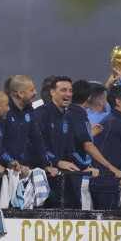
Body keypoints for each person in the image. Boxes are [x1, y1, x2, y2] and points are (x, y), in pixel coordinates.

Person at [64, 79, 119, 209]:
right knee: (83, 220)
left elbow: (71, 139)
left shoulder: (70, 113)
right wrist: (111, 167)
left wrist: (90, 134)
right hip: (79, 175)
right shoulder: (78, 116)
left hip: (75, 175)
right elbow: (86, 146)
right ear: (88, 97)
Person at [32, 76, 82, 207]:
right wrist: (57, 162)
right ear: (52, 92)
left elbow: (70, 150)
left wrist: (84, 165)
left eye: (70, 91)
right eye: (63, 90)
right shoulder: (40, 114)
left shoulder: (67, 118)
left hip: (59, 179)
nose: (68, 94)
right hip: (42, 178)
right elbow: (36, 146)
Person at [1, 75, 58, 180]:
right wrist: (9, 161)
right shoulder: (4, 109)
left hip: (15, 169)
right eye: (32, 90)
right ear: (21, 93)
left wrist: (46, 164)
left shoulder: (29, 110)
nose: (35, 92)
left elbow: (36, 139)